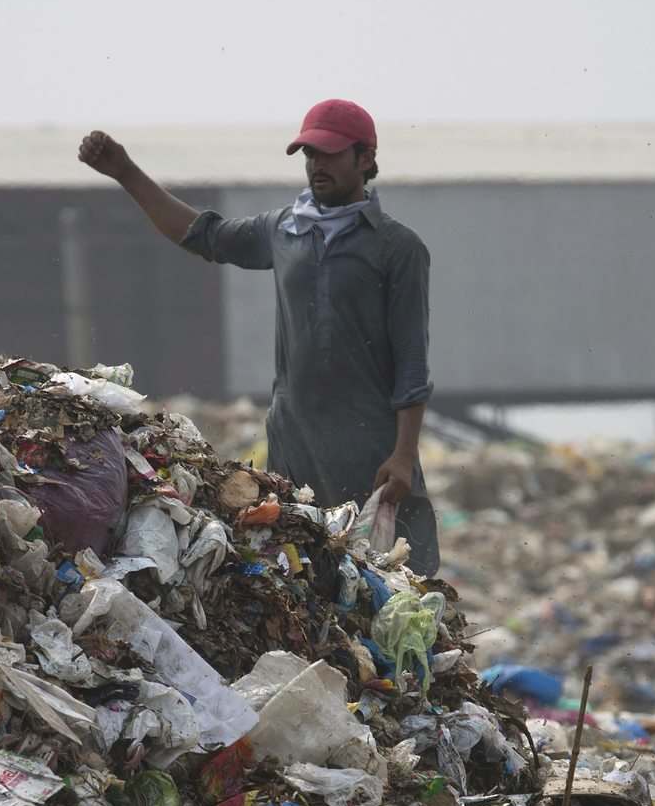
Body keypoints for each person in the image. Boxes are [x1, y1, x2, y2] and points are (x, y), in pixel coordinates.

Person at [79, 100, 440, 575]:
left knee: (390, 572)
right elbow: (204, 235)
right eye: (310, 154)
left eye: (330, 154)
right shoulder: (285, 230)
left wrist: (404, 454)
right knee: (304, 571)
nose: (317, 164)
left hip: (368, 444)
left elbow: (412, 362)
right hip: (295, 438)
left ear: (365, 158)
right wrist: (126, 172)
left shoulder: (397, 248)